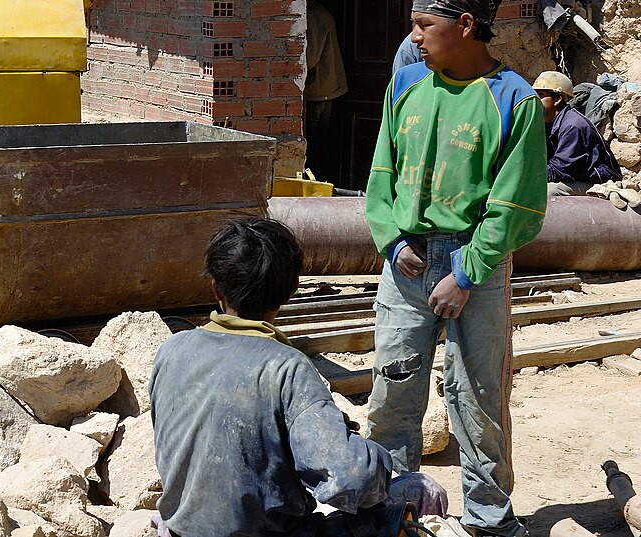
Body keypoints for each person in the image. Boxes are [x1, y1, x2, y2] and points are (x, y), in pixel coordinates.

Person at [365, 0, 547, 537]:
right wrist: (393, 242)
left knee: (477, 397)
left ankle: (488, 518)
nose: (412, 37)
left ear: (465, 25)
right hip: (406, 263)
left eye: (423, 24)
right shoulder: (406, 83)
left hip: (477, 266)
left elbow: (516, 205)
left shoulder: (513, 100)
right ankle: (395, 511)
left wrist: (466, 273)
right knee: (394, 393)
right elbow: (381, 175)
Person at [149, 216, 446, 537]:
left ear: (216, 287)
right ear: (290, 290)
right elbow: (352, 479)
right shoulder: (286, 367)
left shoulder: (172, 349)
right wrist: (371, 455)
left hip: (181, 530)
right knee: (421, 489)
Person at [533, 70, 621, 197]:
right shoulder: (551, 122)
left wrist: (528, 174)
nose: (535, 101)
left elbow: (560, 169)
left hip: (598, 182)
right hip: (576, 178)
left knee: (548, 191)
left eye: (540, 96)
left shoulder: (572, 125)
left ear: (557, 99)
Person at [304, 0, 348, 176]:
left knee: (314, 145)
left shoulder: (313, 14)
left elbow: (310, 57)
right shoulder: (322, 11)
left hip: (318, 89)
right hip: (328, 88)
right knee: (321, 142)